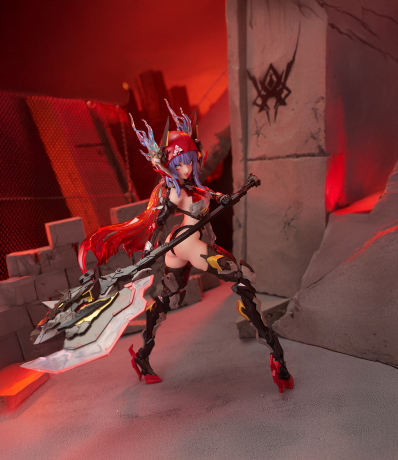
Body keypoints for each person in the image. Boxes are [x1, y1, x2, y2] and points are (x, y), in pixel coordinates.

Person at [79, 100, 293, 393]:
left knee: (169, 299)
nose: (185, 167)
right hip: (188, 242)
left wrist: (223, 197)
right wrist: (148, 250)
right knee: (242, 278)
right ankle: (276, 356)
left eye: (189, 161)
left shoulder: (193, 185)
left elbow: (207, 193)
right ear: (168, 165)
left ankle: (141, 356)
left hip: (184, 243)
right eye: (178, 163)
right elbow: (156, 221)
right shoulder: (172, 192)